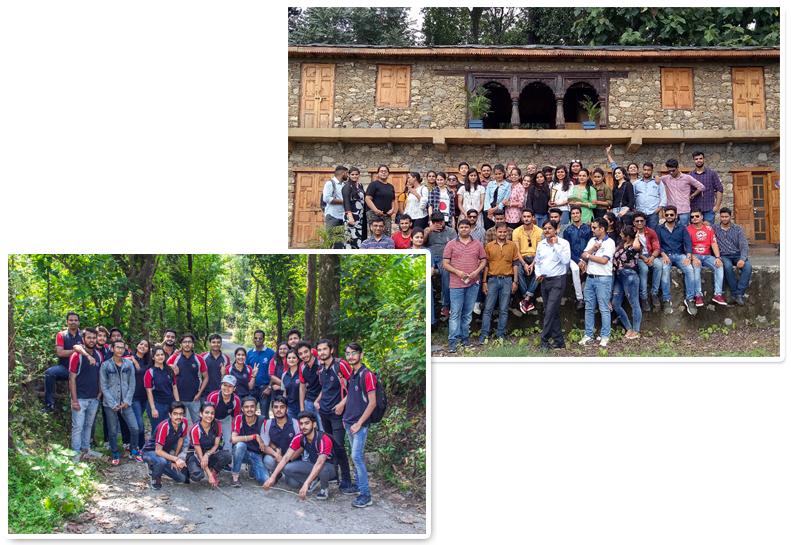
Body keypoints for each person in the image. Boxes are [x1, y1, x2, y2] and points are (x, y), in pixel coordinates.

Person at [263, 411, 338, 501]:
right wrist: (273, 477)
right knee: (287, 468)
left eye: (307, 423)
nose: (303, 427)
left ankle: (324, 487)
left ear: (314, 425)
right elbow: (286, 457)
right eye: (301, 424)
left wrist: (305, 484)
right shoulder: (300, 437)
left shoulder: (323, 439)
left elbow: (320, 463)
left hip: (328, 467)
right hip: (312, 464)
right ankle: (314, 479)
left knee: (322, 468)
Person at [314, 339, 355, 493]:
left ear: (331, 350)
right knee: (328, 446)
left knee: (339, 446)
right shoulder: (320, 368)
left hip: (337, 413)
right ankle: (333, 475)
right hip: (323, 412)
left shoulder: (341, 365)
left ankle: (346, 480)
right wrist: (317, 402)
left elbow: (354, 385)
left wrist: (343, 403)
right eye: (320, 349)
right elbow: (324, 388)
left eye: (325, 349)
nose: (322, 352)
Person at [340, 343, 377, 508]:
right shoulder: (352, 374)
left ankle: (365, 494)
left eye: (354, 353)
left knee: (356, 457)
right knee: (354, 456)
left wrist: (359, 423)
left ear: (361, 355)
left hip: (359, 424)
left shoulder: (367, 374)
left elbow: (372, 403)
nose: (350, 356)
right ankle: (360, 487)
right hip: (349, 421)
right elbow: (352, 397)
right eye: (348, 354)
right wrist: (346, 417)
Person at [442, 219, 486, 352]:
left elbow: (483, 261)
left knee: (467, 313)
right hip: (456, 283)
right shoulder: (451, 244)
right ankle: (453, 340)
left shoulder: (477, 244)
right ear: (458, 229)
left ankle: (464, 337)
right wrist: (457, 272)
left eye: (466, 227)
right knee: (455, 313)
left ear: (470, 228)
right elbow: (445, 263)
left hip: (472, 283)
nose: (464, 229)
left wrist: (476, 272)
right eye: (461, 227)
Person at [100, 340, 140, 465]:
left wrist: (127, 400)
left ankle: (133, 450)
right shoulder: (105, 365)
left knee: (135, 428)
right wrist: (113, 403)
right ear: (112, 349)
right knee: (112, 430)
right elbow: (103, 386)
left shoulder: (129, 364)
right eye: (117, 347)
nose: (120, 350)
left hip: (126, 403)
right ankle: (115, 453)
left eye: (122, 348)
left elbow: (132, 383)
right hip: (110, 404)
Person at [578, 218, 616, 347]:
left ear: (602, 229)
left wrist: (588, 256)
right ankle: (588, 334)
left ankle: (605, 335)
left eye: (594, 227)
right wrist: (592, 250)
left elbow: (604, 260)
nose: (592, 230)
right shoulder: (592, 241)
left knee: (604, 308)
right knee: (589, 307)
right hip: (590, 277)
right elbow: (583, 254)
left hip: (603, 278)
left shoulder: (610, 243)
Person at [534, 219, 571, 351]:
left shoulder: (564, 243)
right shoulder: (541, 244)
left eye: (550, 228)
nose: (547, 231)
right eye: (545, 229)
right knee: (551, 311)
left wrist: (556, 246)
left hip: (557, 280)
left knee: (549, 311)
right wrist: (537, 274)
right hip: (544, 281)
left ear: (556, 230)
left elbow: (566, 260)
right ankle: (559, 341)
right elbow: (538, 262)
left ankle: (544, 341)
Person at [479, 223, 519, 344]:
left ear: (507, 232)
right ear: (495, 232)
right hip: (492, 280)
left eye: (504, 232)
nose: (502, 234)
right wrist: (484, 281)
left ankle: (500, 334)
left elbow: (515, 264)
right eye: (500, 232)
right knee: (488, 309)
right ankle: (484, 334)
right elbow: (486, 264)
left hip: (507, 280)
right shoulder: (489, 246)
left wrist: (515, 281)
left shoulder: (512, 246)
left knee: (504, 309)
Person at [68, 327, 102, 463]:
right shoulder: (76, 356)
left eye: (94, 338)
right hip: (80, 398)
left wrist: (99, 392)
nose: (92, 340)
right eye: (89, 337)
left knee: (88, 424)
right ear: (83, 339)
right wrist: (74, 400)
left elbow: (99, 374)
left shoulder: (98, 355)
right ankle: (75, 453)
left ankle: (86, 448)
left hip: (93, 397)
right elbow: (72, 379)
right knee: (78, 426)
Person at [657, 205, 697, 315]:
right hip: (666, 255)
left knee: (689, 270)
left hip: (680, 255)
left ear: (676, 215)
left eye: (671, 214)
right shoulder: (659, 229)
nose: (669, 216)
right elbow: (658, 245)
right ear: (664, 215)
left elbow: (688, 243)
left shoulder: (682, 228)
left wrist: (688, 257)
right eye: (667, 214)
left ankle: (690, 300)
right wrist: (664, 255)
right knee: (664, 271)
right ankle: (666, 300)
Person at [141, 401, 189, 490]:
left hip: (163, 454)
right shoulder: (164, 426)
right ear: (170, 415)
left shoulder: (184, 422)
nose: (178, 417)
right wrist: (176, 459)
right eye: (175, 414)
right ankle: (156, 476)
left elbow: (180, 441)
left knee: (181, 479)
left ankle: (156, 466)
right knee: (161, 461)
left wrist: (174, 459)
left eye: (181, 414)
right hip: (150, 452)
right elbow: (158, 451)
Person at [42, 311, 83, 414]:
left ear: (78, 322)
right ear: (66, 322)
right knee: (50, 372)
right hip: (65, 368)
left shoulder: (83, 335)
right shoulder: (61, 335)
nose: (73, 322)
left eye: (75, 320)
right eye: (71, 320)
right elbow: (60, 353)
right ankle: (49, 404)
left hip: (80, 369)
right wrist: (76, 350)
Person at [167, 333, 209, 429]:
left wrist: (199, 394)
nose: (187, 344)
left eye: (189, 342)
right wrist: (171, 368)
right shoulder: (174, 358)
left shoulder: (199, 359)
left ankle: (196, 443)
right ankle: (183, 444)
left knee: (198, 424)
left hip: (194, 398)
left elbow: (206, 377)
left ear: (193, 344)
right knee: (179, 425)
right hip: (178, 398)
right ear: (181, 344)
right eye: (184, 342)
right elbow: (161, 369)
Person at [687, 208, 727, 307]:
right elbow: (686, 246)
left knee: (719, 266)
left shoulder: (709, 229)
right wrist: (693, 258)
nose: (694, 218)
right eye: (692, 217)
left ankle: (718, 294)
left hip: (708, 255)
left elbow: (713, 243)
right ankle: (698, 295)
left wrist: (717, 257)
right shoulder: (688, 229)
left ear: (702, 217)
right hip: (695, 255)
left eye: (697, 216)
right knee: (696, 268)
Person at [260, 395, 302, 488]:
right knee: (268, 460)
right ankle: (277, 474)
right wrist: (276, 455)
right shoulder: (267, 423)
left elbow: (301, 447)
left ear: (287, 409)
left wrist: (287, 460)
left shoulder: (296, 424)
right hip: (276, 458)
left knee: (294, 484)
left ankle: (286, 472)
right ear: (272, 410)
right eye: (276, 407)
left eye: (282, 407)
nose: (279, 410)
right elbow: (264, 445)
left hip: (292, 459)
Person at [186, 402, 231, 487]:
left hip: (210, 452)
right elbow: (199, 455)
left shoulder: (217, 425)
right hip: (196, 455)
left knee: (227, 455)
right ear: (201, 414)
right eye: (206, 412)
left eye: (212, 413)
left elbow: (216, 444)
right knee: (197, 476)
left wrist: (207, 454)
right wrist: (209, 475)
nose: (209, 415)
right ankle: (194, 469)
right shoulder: (195, 429)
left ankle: (214, 471)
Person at [713, 208, 752, 306]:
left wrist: (742, 259)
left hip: (736, 254)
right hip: (724, 255)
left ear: (730, 217)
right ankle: (735, 293)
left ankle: (739, 292)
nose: (724, 219)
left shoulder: (738, 229)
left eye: (726, 217)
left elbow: (744, 246)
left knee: (748, 267)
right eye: (722, 217)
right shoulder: (714, 228)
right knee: (727, 267)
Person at [611, 226, 643, 340]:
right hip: (619, 275)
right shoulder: (621, 244)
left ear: (628, 236)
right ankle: (628, 327)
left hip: (630, 275)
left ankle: (636, 329)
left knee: (634, 303)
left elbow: (636, 247)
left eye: (622, 234)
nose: (620, 235)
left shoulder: (635, 246)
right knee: (615, 303)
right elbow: (614, 256)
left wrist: (636, 236)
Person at [229, 396, 268, 487]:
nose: (249, 409)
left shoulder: (262, 420)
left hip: (256, 454)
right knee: (240, 445)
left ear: (256, 408)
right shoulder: (239, 418)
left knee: (265, 479)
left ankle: (252, 469)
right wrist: (254, 436)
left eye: (252, 406)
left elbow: (267, 441)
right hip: (242, 452)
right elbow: (234, 439)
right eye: (246, 407)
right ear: (242, 409)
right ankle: (235, 474)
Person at [425, 211, 456, 316]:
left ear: (444, 221)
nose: (439, 224)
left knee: (446, 272)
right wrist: (429, 230)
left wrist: (448, 260)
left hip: (445, 257)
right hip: (431, 256)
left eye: (440, 222)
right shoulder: (427, 230)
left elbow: (454, 247)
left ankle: (446, 303)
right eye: (436, 222)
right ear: (432, 222)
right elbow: (421, 242)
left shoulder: (451, 231)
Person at [632, 211, 664, 312]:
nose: (639, 223)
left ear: (645, 221)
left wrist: (652, 258)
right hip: (639, 257)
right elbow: (631, 249)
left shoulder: (651, 232)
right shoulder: (631, 233)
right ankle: (644, 297)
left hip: (651, 255)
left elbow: (657, 247)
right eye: (637, 221)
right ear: (634, 223)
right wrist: (644, 258)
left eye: (642, 221)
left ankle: (654, 293)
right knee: (644, 269)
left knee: (659, 266)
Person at [513, 209, 543, 314]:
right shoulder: (516, 231)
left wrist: (533, 264)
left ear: (533, 217)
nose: (526, 218)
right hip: (522, 258)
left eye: (528, 216)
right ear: (522, 218)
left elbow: (540, 251)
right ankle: (528, 297)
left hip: (535, 257)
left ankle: (526, 298)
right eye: (524, 216)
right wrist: (525, 264)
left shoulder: (539, 231)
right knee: (519, 271)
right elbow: (516, 251)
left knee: (539, 272)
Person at [660, 158, 705, 228]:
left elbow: (701, 187)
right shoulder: (666, 178)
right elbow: (655, 180)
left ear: (678, 168)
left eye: (673, 170)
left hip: (684, 209)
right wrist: (656, 177)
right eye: (669, 171)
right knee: (671, 228)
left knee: (685, 228)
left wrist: (692, 196)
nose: (671, 173)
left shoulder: (687, 178)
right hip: (672, 210)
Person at [145, 346, 179, 436]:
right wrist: (153, 408)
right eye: (157, 355)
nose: (160, 357)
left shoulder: (170, 370)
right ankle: (154, 448)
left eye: (162, 355)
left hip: (170, 404)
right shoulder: (150, 372)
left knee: (171, 428)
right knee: (157, 429)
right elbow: (149, 392)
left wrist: (178, 404)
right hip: (157, 405)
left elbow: (174, 388)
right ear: (153, 357)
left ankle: (168, 448)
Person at [206, 375, 241, 462]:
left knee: (229, 440)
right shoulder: (213, 396)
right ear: (221, 385)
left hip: (226, 419)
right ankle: (209, 459)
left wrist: (233, 432)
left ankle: (225, 461)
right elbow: (206, 414)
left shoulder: (236, 400)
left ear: (234, 388)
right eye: (225, 385)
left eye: (230, 386)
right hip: (211, 419)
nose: (227, 388)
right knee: (211, 439)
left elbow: (234, 418)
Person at [564, 206, 593, 310]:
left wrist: (585, 259)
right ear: (571, 215)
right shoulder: (567, 230)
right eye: (573, 213)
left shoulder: (588, 229)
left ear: (581, 214)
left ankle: (588, 297)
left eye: (577, 213)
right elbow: (567, 248)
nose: (575, 215)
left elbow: (591, 245)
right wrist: (578, 261)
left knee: (590, 271)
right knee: (575, 269)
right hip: (573, 257)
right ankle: (580, 298)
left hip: (587, 256)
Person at [129, 339, 152, 461]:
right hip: (134, 397)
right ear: (137, 346)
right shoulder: (130, 359)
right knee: (139, 425)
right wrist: (133, 359)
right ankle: (139, 449)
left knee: (137, 423)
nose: (143, 346)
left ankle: (134, 447)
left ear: (148, 349)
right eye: (141, 344)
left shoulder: (148, 361)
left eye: (146, 345)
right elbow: (118, 359)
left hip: (145, 397)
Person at [689, 151, 724, 225]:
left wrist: (717, 206)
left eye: (700, 158)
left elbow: (719, 189)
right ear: (694, 161)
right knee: (695, 231)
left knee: (708, 230)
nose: (698, 160)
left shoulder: (712, 174)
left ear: (704, 160)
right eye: (696, 159)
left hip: (709, 208)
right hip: (694, 209)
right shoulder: (690, 175)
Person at [246, 329, 275, 419]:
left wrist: (269, 388)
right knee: (249, 412)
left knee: (264, 414)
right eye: (255, 338)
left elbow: (274, 373)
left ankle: (264, 432)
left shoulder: (271, 353)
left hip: (265, 389)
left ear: (263, 339)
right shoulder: (250, 353)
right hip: (251, 389)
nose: (257, 340)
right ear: (253, 339)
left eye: (260, 338)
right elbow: (246, 371)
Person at [297, 341, 324, 432]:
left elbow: (326, 385)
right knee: (307, 430)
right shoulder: (302, 366)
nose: (304, 355)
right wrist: (302, 407)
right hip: (308, 401)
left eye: (306, 352)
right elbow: (302, 387)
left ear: (311, 351)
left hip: (321, 401)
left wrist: (318, 401)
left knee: (322, 428)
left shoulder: (321, 363)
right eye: (300, 354)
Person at [365, 164, 397, 236]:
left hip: (387, 215)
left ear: (388, 173)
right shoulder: (373, 185)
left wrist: (392, 209)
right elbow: (367, 199)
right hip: (374, 215)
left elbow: (393, 200)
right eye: (381, 171)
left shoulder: (390, 186)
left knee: (387, 235)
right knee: (376, 235)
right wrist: (376, 210)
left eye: (385, 171)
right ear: (378, 173)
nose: (383, 173)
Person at [633, 162, 666, 231]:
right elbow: (633, 197)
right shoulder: (636, 183)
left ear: (652, 171)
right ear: (642, 170)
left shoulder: (658, 182)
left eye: (648, 170)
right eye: (645, 170)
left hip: (653, 213)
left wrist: (659, 209)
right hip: (640, 213)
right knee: (640, 233)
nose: (646, 172)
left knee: (653, 233)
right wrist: (634, 209)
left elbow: (663, 196)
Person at [200, 334, 230, 404]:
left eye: (218, 342)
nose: (216, 344)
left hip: (220, 392)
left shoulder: (226, 358)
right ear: (209, 343)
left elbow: (227, 377)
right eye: (213, 342)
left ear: (221, 344)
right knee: (205, 413)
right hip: (205, 392)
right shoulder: (203, 357)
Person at [323, 165, 348, 249]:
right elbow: (326, 198)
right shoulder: (330, 183)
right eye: (346, 173)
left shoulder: (344, 185)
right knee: (329, 239)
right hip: (332, 215)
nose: (347, 175)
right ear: (342, 173)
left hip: (342, 216)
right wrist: (343, 202)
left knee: (340, 240)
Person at [342, 167, 367, 249]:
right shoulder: (347, 186)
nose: (354, 176)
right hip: (352, 215)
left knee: (360, 236)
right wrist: (350, 216)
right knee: (351, 237)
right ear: (349, 175)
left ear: (359, 175)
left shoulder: (360, 185)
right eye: (352, 174)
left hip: (360, 215)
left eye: (356, 174)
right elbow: (346, 201)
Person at [483, 164, 511, 230]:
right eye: (496, 174)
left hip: (499, 211)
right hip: (488, 210)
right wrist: (489, 210)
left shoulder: (507, 185)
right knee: (489, 229)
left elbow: (505, 200)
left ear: (503, 173)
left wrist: (494, 209)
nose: (498, 176)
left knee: (500, 229)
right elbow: (487, 197)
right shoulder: (490, 184)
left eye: (500, 174)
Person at [280, 349, 302, 422]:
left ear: (298, 359)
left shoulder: (302, 373)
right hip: (290, 407)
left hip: (302, 405)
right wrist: (284, 406)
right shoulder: (284, 375)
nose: (291, 360)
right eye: (289, 358)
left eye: (294, 357)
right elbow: (284, 393)